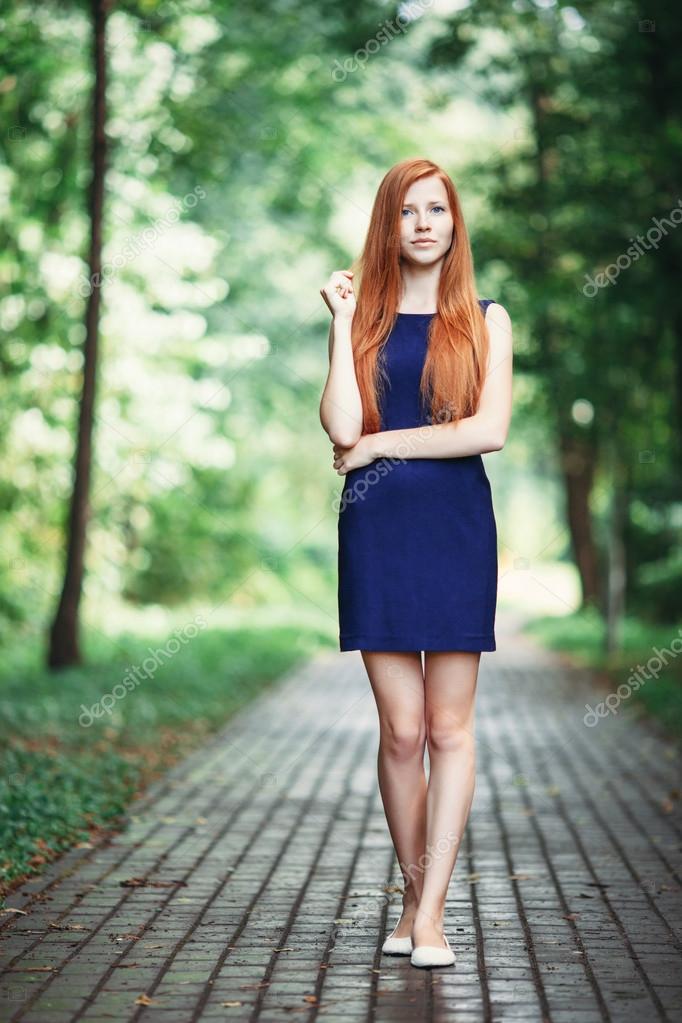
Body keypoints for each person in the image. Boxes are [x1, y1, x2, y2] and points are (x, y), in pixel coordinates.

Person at [319, 158, 513, 969]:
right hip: (377, 532)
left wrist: (380, 444)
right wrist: (337, 321)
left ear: (455, 222)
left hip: (455, 529)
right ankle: (412, 892)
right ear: (387, 226)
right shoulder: (362, 314)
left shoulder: (488, 318)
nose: (425, 222)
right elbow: (339, 426)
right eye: (408, 211)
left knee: (447, 727)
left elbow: (485, 430)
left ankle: (430, 913)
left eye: (437, 208)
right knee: (400, 733)